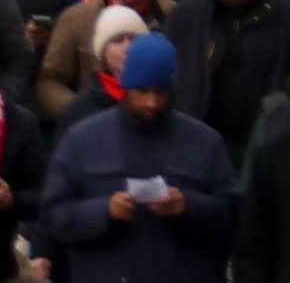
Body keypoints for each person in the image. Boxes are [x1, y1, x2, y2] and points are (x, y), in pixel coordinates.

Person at [38, 35, 238, 283]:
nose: (152, 102)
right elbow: (53, 214)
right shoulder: (82, 140)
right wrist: (104, 211)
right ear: (125, 86)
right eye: (142, 91)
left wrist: (188, 206)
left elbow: (234, 215)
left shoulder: (205, 143)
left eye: (160, 91)